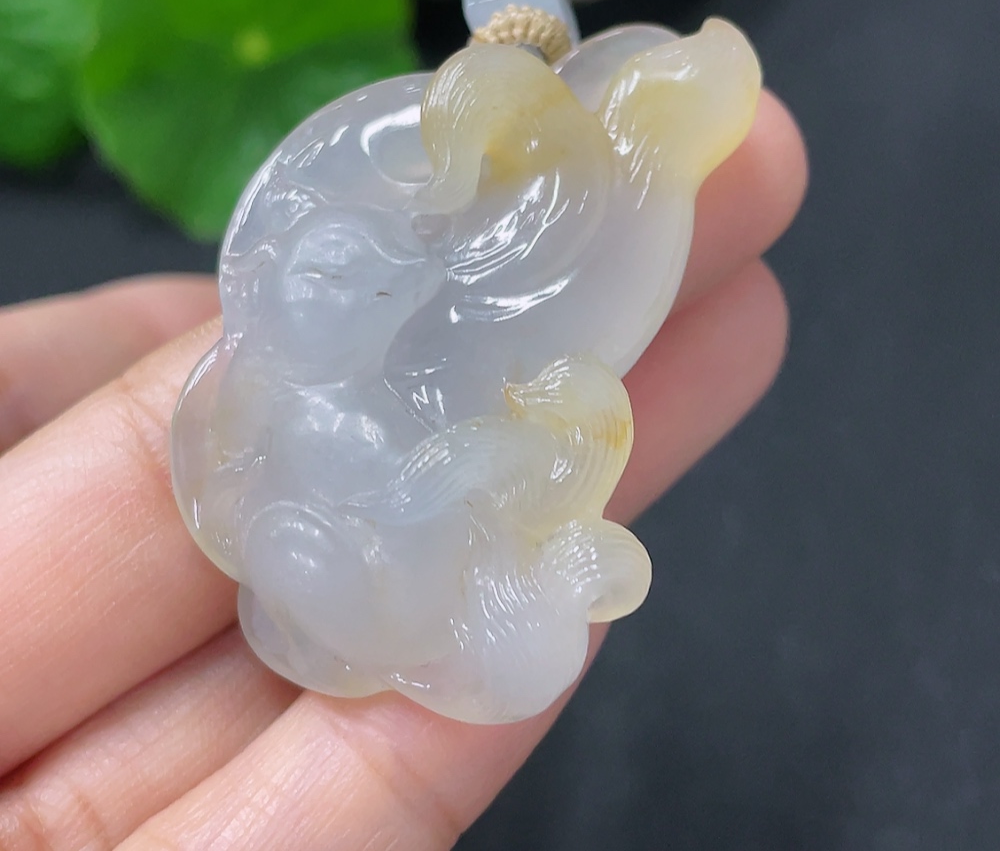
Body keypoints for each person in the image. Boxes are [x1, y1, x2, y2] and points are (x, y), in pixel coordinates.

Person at [0, 91, 806, 850]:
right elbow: (248, 486)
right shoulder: (259, 393)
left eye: (369, 290)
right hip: (342, 572)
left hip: (407, 577)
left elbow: (460, 484)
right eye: (321, 277)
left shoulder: (391, 398)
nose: (330, 299)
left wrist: (487, 467)